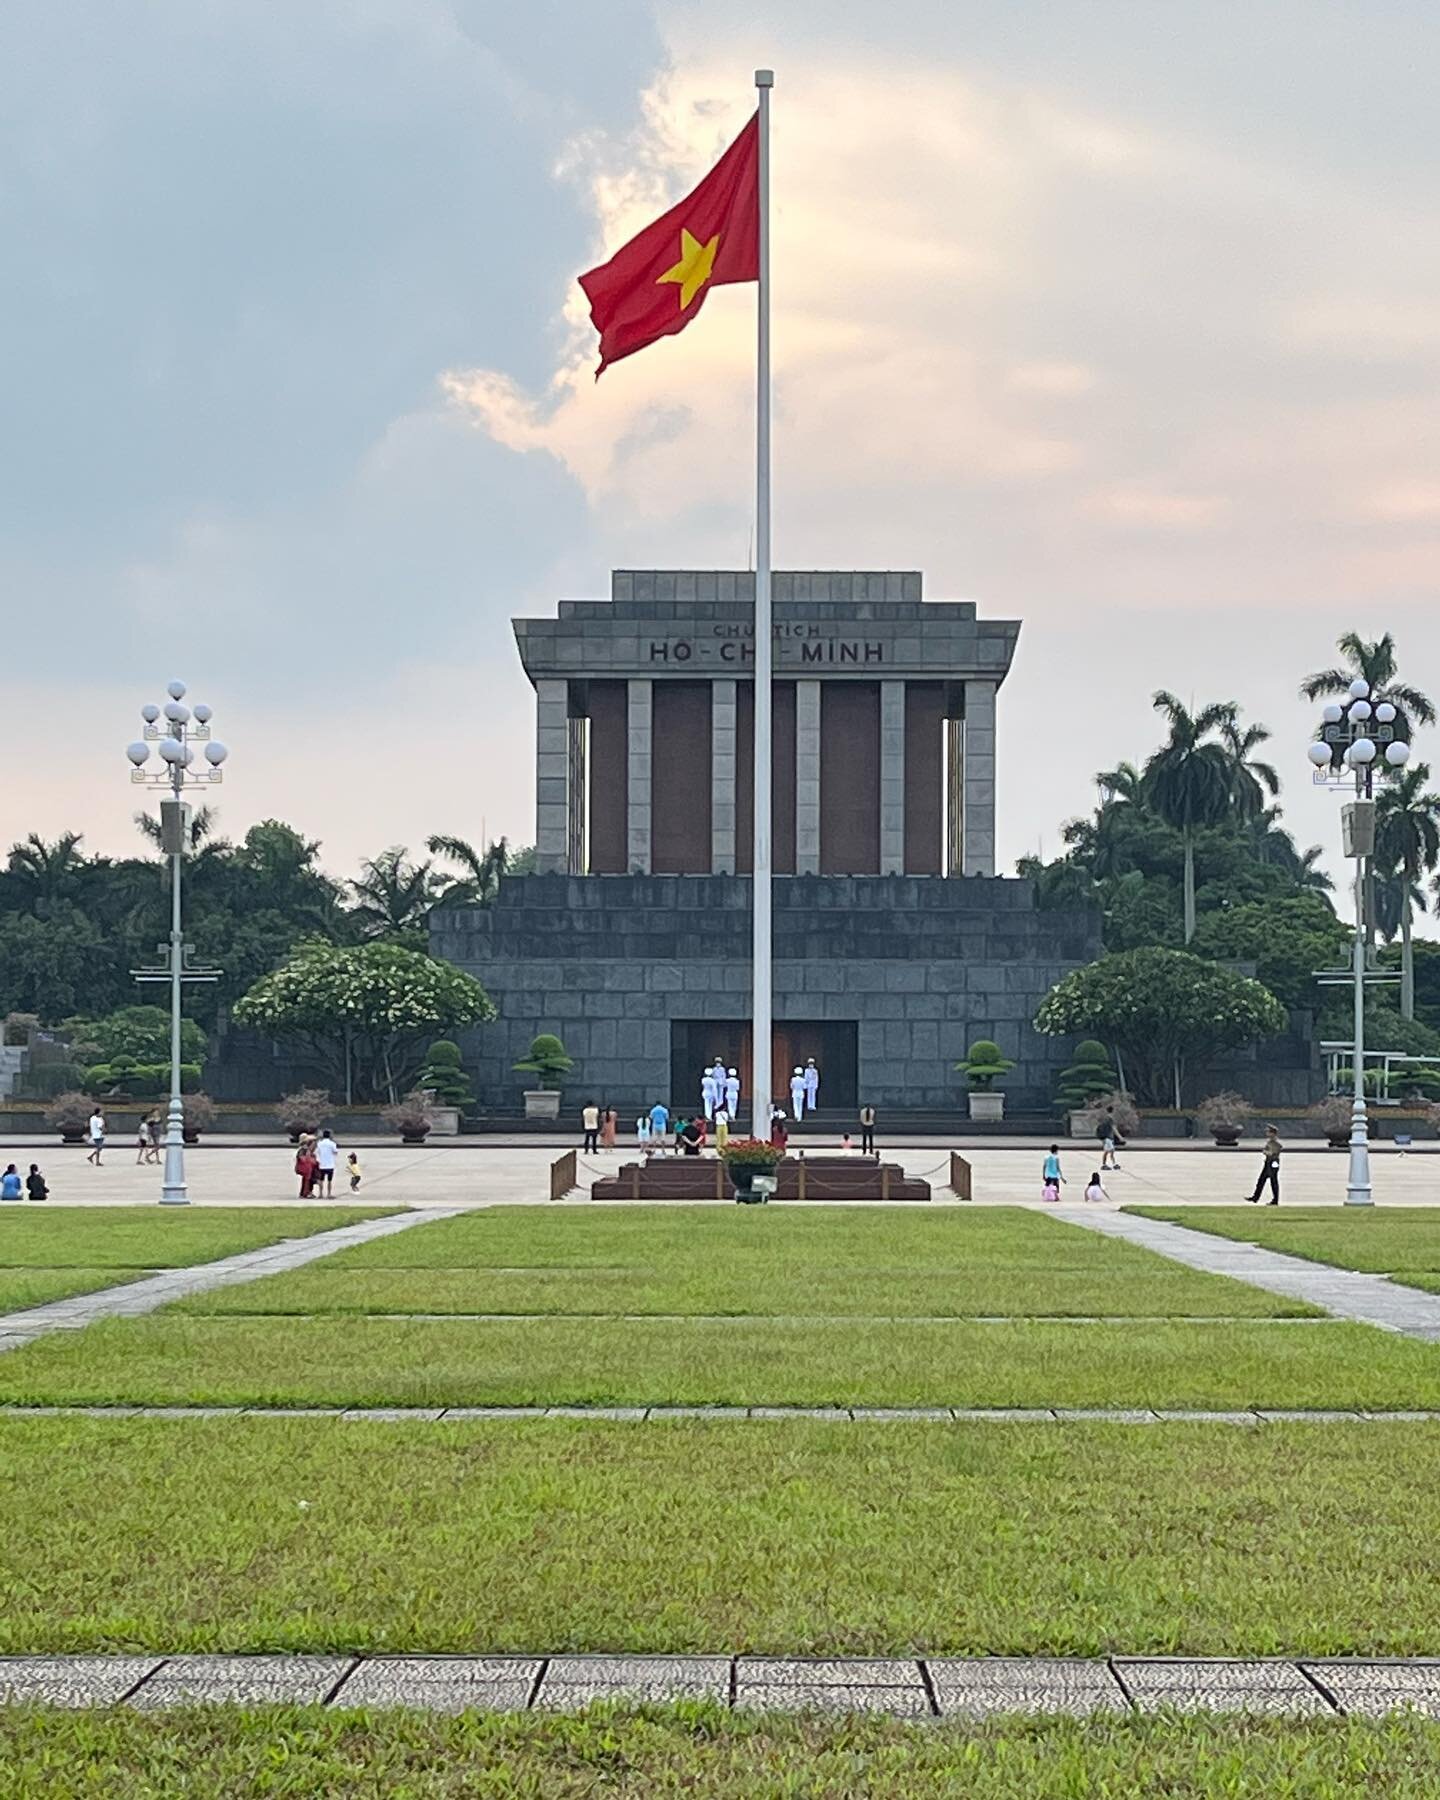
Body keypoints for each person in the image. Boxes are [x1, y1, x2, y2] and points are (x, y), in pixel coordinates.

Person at [1247, 1126, 1282, 1205]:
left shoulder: (1276, 1143)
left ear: (1273, 1133)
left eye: (1268, 1132)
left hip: (1273, 1162)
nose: (1267, 1133)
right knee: (1261, 1180)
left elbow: (1273, 1153)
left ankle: (1275, 1200)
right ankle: (1255, 1197)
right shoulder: (1269, 1142)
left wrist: (1266, 1152)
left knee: (1274, 1181)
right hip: (1268, 1162)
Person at [314, 1129, 339, 1197]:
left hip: (322, 1164)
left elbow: (317, 1152)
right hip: (330, 1164)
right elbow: (335, 1152)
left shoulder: (320, 1143)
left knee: (321, 1180)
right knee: (329, 1180)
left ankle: (321, 1194)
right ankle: (329, 1194)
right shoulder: (332, 1143)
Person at [294, 1135, 318, 1199]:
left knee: (307, 1180)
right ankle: (306, 1193)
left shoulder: (305, 1150)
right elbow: (303, 1159)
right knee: (307, 1180)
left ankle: (305, 1193)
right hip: (306, 1168)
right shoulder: (304, 1150)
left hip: (308, 1168)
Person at [1097, 1106, 1121, 1171]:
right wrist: (1120, 1137)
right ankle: (1105, 1165)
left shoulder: (1105, 1118)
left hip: (1106, 1137)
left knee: (1110, 1151)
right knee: (1108, 1151)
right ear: (1113, 1111)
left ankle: (1113, 1164)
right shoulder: (1110, 1119)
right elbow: (1114, 1128)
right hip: (1108, 1137)